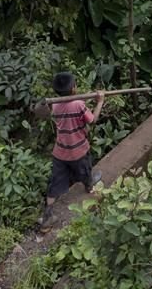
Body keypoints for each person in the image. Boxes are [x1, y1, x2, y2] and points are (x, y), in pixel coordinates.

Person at [40, 71, 104, 230]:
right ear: (74, 88)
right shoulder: (79, 105)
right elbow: (93, 120)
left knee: (56, 182)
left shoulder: (55, 104)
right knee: (84, 168)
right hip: (78, 150)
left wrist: (89, 97)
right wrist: (100, 101)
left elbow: (72, 104)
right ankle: (89, 186)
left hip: (60, 152)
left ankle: (47, 216)